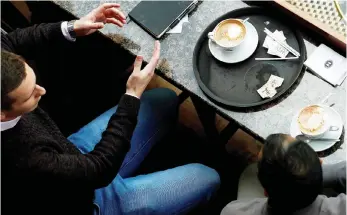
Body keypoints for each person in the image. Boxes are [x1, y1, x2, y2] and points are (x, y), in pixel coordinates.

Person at [1, 3, 220, 215]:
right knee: (209, 178)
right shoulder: (25, 158)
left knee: (164, 99)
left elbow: (9, 41)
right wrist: (131, 95)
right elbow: (100, 168)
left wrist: (73, 27)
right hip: (87, 198)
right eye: (30, 94)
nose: (42, 91)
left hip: (70, 153)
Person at [221, 133, 346, 215]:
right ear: (320, 162)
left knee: (248, 172)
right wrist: (309, 172)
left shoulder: (232, 212)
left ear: (265, 191)